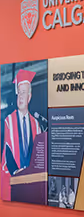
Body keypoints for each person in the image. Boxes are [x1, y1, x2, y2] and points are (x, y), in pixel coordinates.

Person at [3, 70, 45, 199]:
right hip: (12, 179)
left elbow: (38, 153)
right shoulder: (8, 121)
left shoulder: (36, 124)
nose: (20, 97)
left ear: (29, 97)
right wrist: (16, 171)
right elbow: (6, 151)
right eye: (19, 93)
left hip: (30, 181)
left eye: (24, 93)